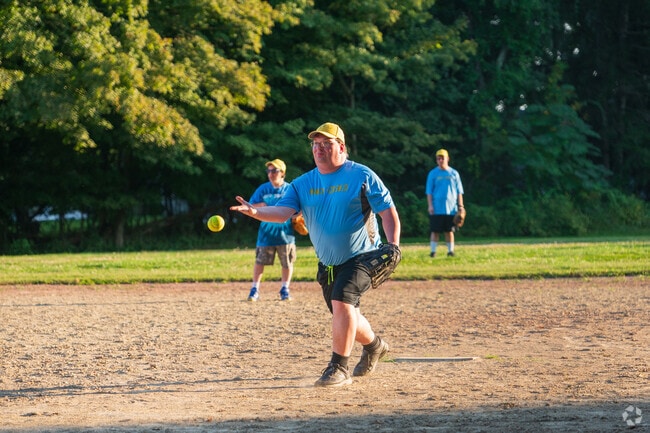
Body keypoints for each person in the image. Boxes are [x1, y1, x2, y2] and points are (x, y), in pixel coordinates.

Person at [231, 122, 401, 387]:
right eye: (315, 144)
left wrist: (393, 245)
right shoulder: (302, 183)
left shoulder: (361, 175)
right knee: (346, 314)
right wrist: (256, 212)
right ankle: (375, 346)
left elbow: (387, 212)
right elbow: (282, 212)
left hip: (362, 256)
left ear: (341, 147)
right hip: (329, 263)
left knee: (343, 302)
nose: (319, 149)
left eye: (326, 144)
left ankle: (339, 368)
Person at [246, 159, 296, 301]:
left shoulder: (289, 189)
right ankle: (254, 289)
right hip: (266, 234)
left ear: (283, 173)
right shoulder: (263, 189)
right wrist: (260, 205)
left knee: (287, 262)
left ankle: (285, 289)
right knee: (260, 262)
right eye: (269, 171)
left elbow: (299, 207)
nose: (271, 173)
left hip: (285, 235)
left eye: (274, 170)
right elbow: (251, 206)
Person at [425, 148, 464, 257]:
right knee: (435, 230)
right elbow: (429, 192)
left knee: (449, 231)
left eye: (442, 158)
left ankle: (450, 251)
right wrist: (430, 206)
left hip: (451, 208)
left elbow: (459, 192)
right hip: (437, 207)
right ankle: (433, 252)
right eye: (438, 158)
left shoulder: (454, 173)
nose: (440, 160)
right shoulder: (433, 173)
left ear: (447, 159)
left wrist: (461, 206)